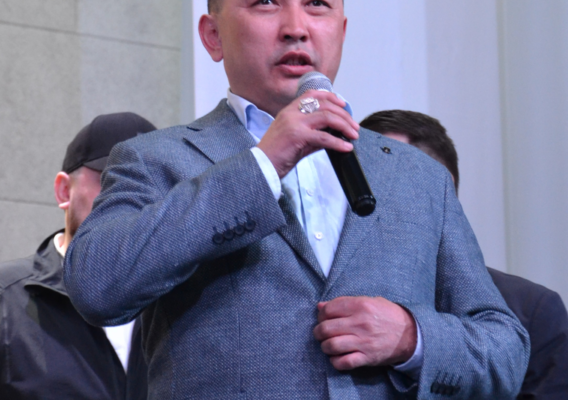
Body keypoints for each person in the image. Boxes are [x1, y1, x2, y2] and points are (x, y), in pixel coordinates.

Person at [64, 1, 529, 398]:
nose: (296, 27)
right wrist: (263, 165)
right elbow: (96, 284)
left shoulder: (417, 177)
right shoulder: (155, 159)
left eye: (317, 4)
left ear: (341, 30)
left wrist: (413, 337)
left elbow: (505, 348)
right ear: (212, 36)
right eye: (266, 2)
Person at [361, 109, 568, 400]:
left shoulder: (533, 310)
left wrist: (414, 340)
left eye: (389, 183)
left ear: (443, 189)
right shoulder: (330, 296)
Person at [0, 112, 156, 400]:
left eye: (153, 185)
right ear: (64, 191)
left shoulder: (185, 308)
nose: (135, 200)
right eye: (113, 180)